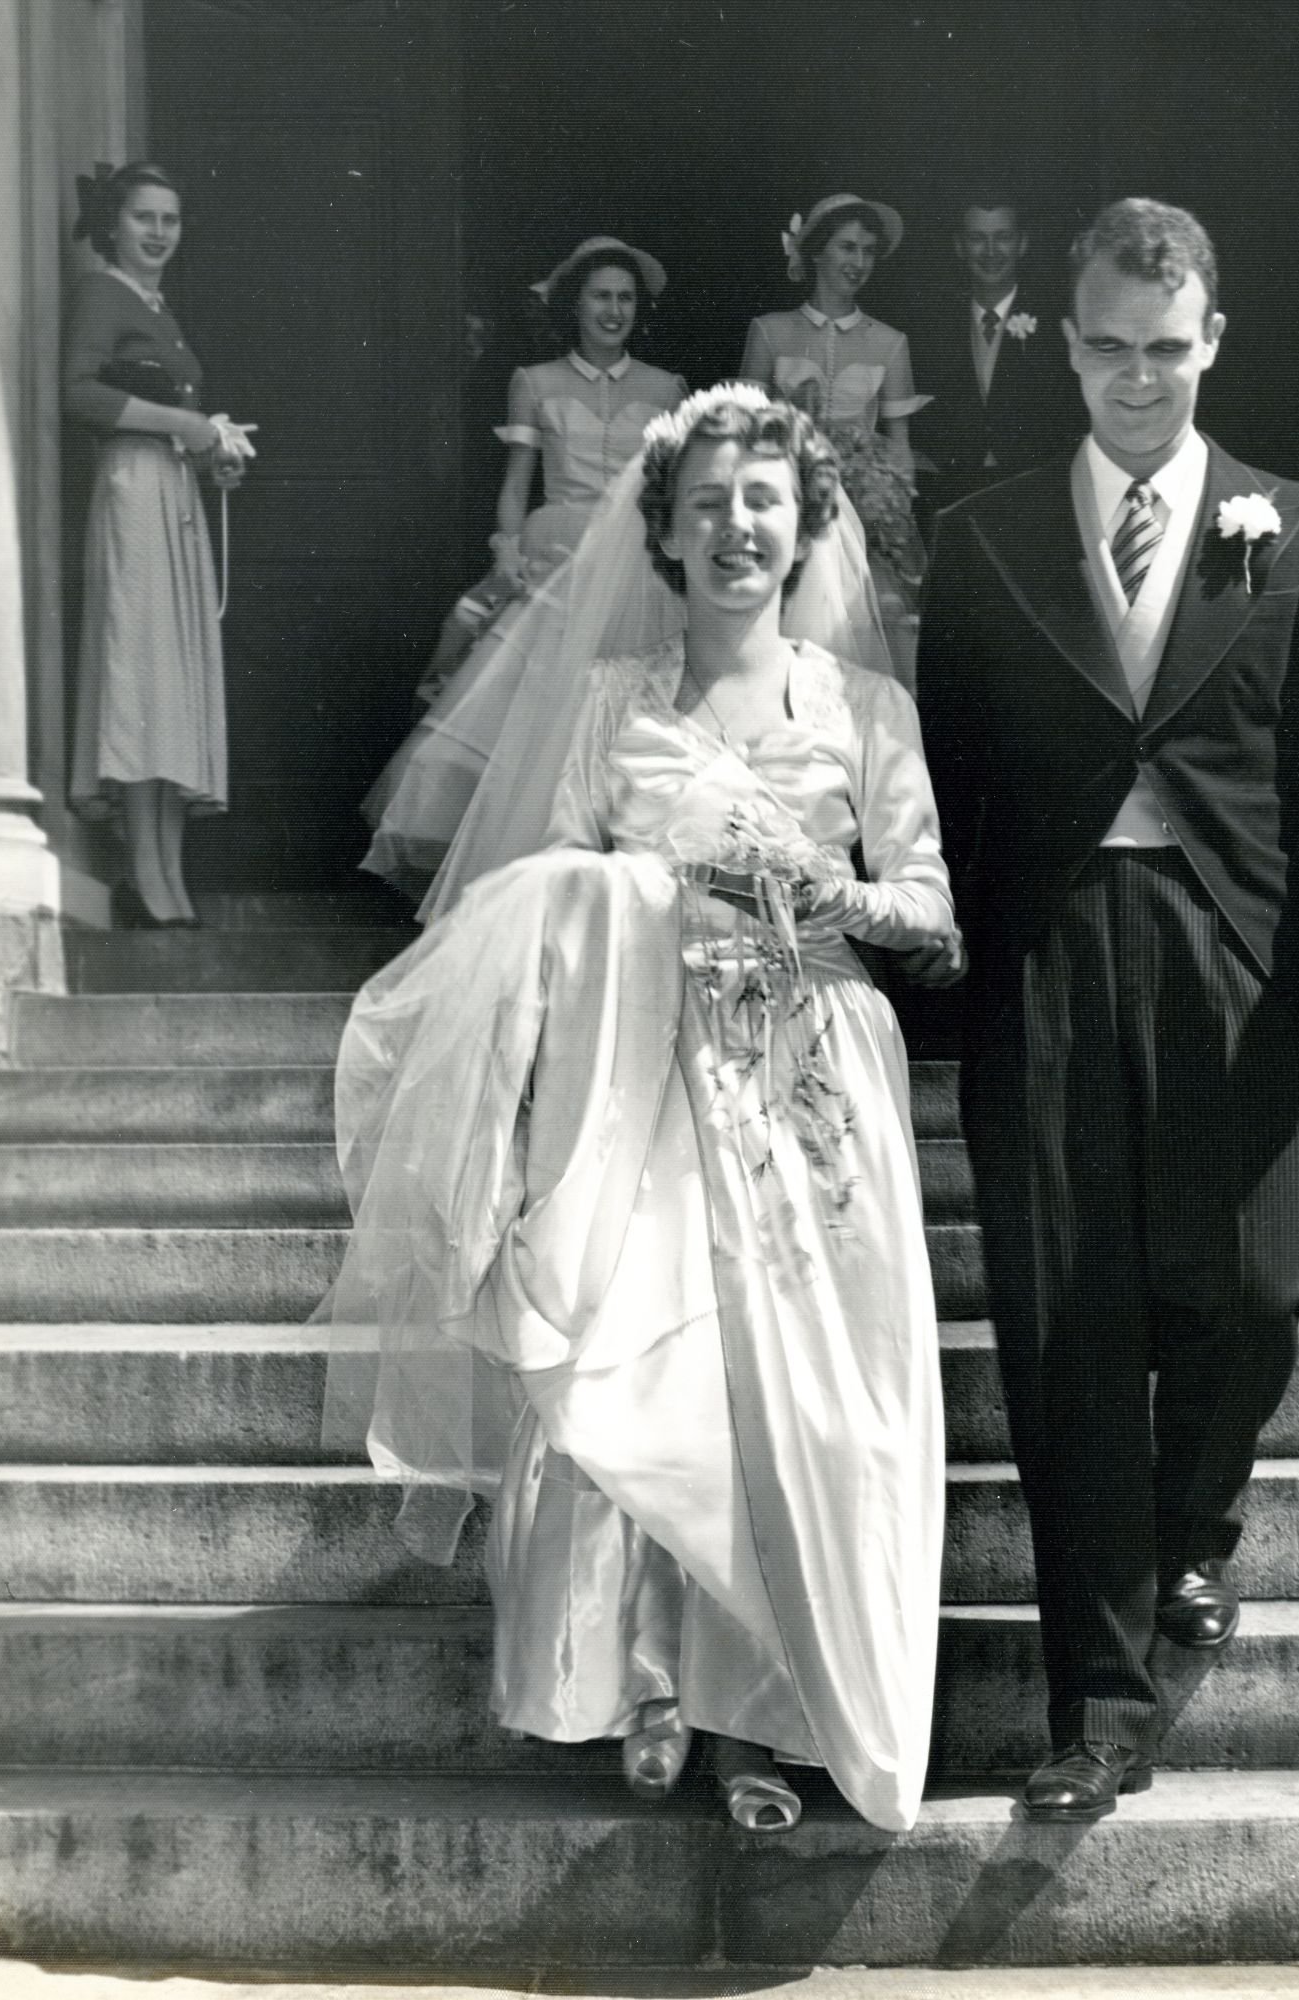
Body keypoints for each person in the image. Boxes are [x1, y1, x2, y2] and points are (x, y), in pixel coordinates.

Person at [322, 385, 963, 1834]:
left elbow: (930, 914)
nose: (735, 529)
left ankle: (771, 1720)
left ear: (803, 526)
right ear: (662, 534)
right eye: (704, 507)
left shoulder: (863, 707)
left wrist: (820, 890)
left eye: (761, 503)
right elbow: (539, 896)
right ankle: (652, 1682)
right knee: (644, 1369)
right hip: (638, 1068)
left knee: (802, 1401)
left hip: (804, 1068)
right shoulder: (611, 700)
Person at [917, 199, 1299, 1822]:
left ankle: (1199, 1525)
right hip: (1049, 952)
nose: (1137, 383)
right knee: (1071, 1336)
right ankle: (1099, 1713)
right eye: (1108, 352)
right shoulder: (983, 540)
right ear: (1066, 347)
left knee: (1257, 1283)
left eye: (1166, 351)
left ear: (1212, 340)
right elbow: (940, 780)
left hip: (1234, 949)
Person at [360, 237, 685, 896]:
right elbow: (517, 483)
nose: (613, 311)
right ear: (575, 305)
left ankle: (606, 864)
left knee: (623, 713)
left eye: (625, 298)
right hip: (558, 553)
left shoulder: (666, 387)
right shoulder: (535, 382)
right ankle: (517, 874)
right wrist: (507, 551)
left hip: (635, 569)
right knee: (531, 712)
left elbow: (668, 490)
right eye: (600, 296)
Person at [64, 162, 256, 928]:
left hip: (172, 492)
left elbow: (174, 419)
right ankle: (144, 874)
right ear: (114, 224)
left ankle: (168, 876)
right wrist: (186, 427)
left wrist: (214, 455)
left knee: (170, 681)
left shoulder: (157, 309)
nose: (157, 233)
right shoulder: (100, 293)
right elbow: (79, 393)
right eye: (144, 218)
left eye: (170, 220)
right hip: (132, 492)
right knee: (142, 674)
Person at [739, 195, 929, 687]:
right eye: (848, 248)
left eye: (868, 252)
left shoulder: (890, 343)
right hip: (786, 507)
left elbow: (900, 448)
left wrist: (891, 518)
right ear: (817, 252)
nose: (859, 263)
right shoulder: (769, 332)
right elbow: (741, 438)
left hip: (861, 522)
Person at [913, 193, 1073, 511]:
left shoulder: (1058, 324)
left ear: (1022, 244)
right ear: (959, 246)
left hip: (1036, 495)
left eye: (1003, 238)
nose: (990, 252)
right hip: (953, 496)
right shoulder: (932, 327)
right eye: (977, 238)